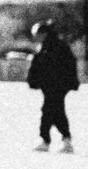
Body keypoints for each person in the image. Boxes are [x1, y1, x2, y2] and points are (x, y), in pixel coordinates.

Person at [26, 20, 78, 153]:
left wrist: (70, 82)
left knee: (49, 111)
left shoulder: (57, 47)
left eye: (37, 34)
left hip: (58, 85)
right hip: (49, 85)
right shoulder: (44, 47)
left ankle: (50, 140)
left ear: (44, 34)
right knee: (55, 111)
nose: (35, 37)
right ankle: (62, 140)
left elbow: (67, 66)